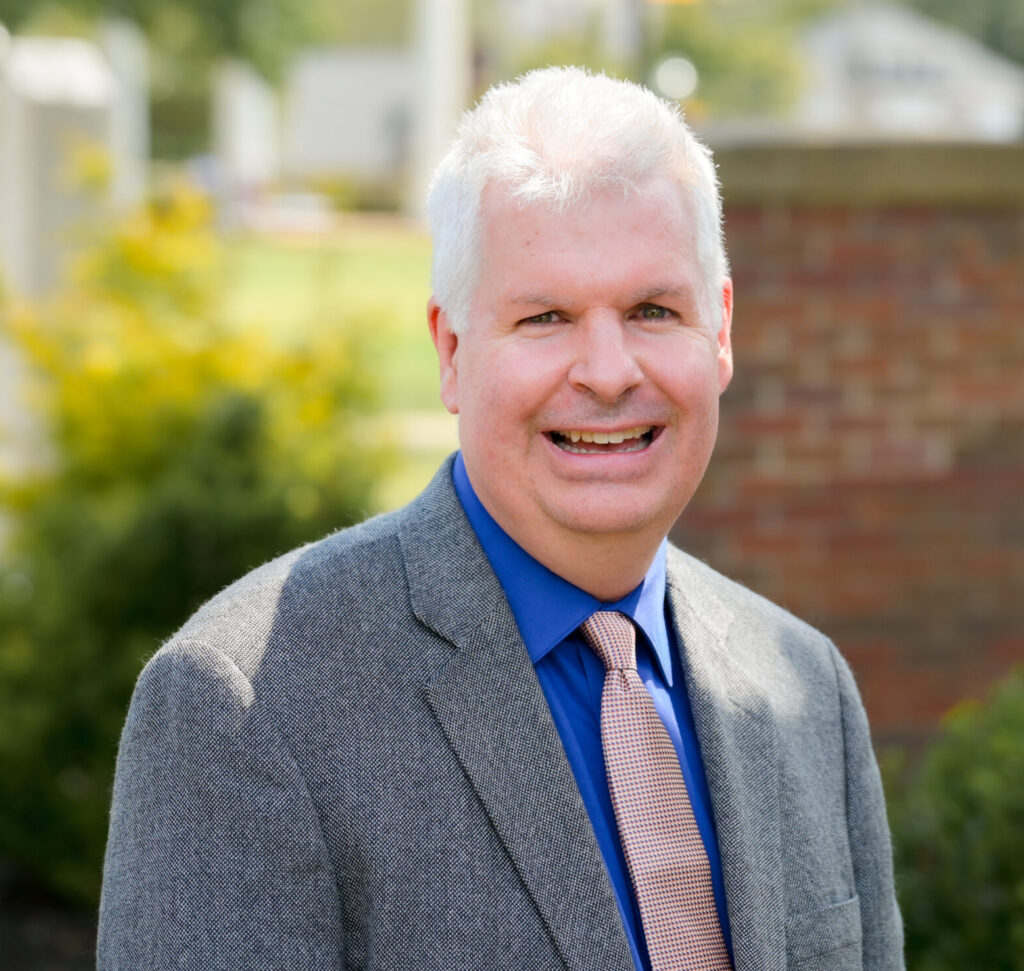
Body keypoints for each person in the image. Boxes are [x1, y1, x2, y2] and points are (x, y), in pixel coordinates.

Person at [98, 67, 903, 970]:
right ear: (450, 350)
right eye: (546, 316)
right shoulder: (246, 703)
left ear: (718, 332)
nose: (607, 371)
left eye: (651, 309)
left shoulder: (807, 686)